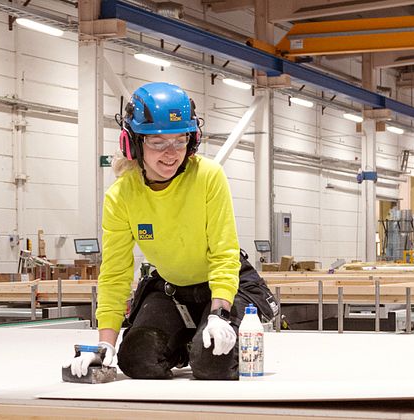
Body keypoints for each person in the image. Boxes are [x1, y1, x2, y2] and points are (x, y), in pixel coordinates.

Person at [65, 82, 277, 380]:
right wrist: (102, 346)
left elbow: (223, 253)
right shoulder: (121, 196)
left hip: (228, 286)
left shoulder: (208, 176)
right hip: (174, 289)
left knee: (212, 364)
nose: (171, 153)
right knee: (138, 359)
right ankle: (189, 339)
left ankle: (206, 334)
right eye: (158, 142)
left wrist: (218, 314)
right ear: (133, 143)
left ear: (192, 141)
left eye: (180, 141)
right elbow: (115, 274)